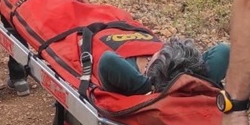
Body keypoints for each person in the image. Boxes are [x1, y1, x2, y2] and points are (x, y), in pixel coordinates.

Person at [98, 38, 229, 96]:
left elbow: (108, 60)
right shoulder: (203, 81)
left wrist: (144, 87)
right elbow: (223, 50)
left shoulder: (139, 84)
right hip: (190, 73)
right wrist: (205, 80)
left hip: (113, 37)